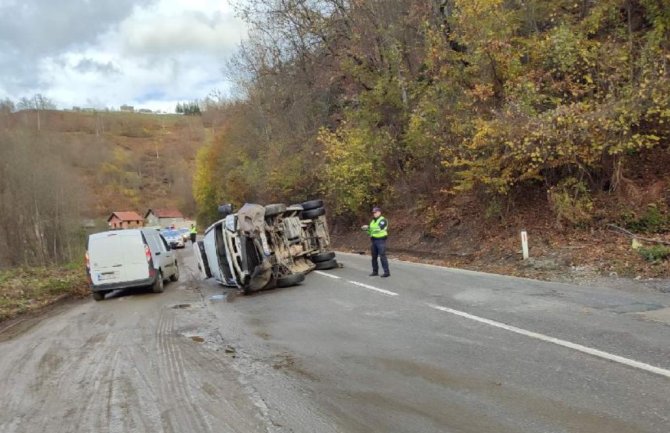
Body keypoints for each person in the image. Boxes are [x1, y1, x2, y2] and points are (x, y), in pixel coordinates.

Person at [363, 207, 390, 277]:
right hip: (374, 240)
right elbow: (370, 232)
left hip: (381, 240)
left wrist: (369, 227)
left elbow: (379, 229)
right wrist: (366, 230)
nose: (374, 214)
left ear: (379, 212)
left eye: (376, 212)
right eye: (373, 212)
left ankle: (386, 272)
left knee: (382, 256)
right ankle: (375, 271)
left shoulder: (383, 220)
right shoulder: (372, 221)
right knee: (373, 257)